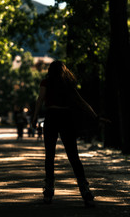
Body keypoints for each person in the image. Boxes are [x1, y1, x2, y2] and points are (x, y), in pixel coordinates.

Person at [32, 60, 105, 206]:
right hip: (66, 118)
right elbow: (81, 101)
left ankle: (49, 191)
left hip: (51, 117)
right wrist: (95, 116)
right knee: (73, 156)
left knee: (50, 155)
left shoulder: (45, 82)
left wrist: (34, 118)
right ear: (63, 70)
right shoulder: (68, 84)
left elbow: (40, 100)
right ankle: (85, 191)